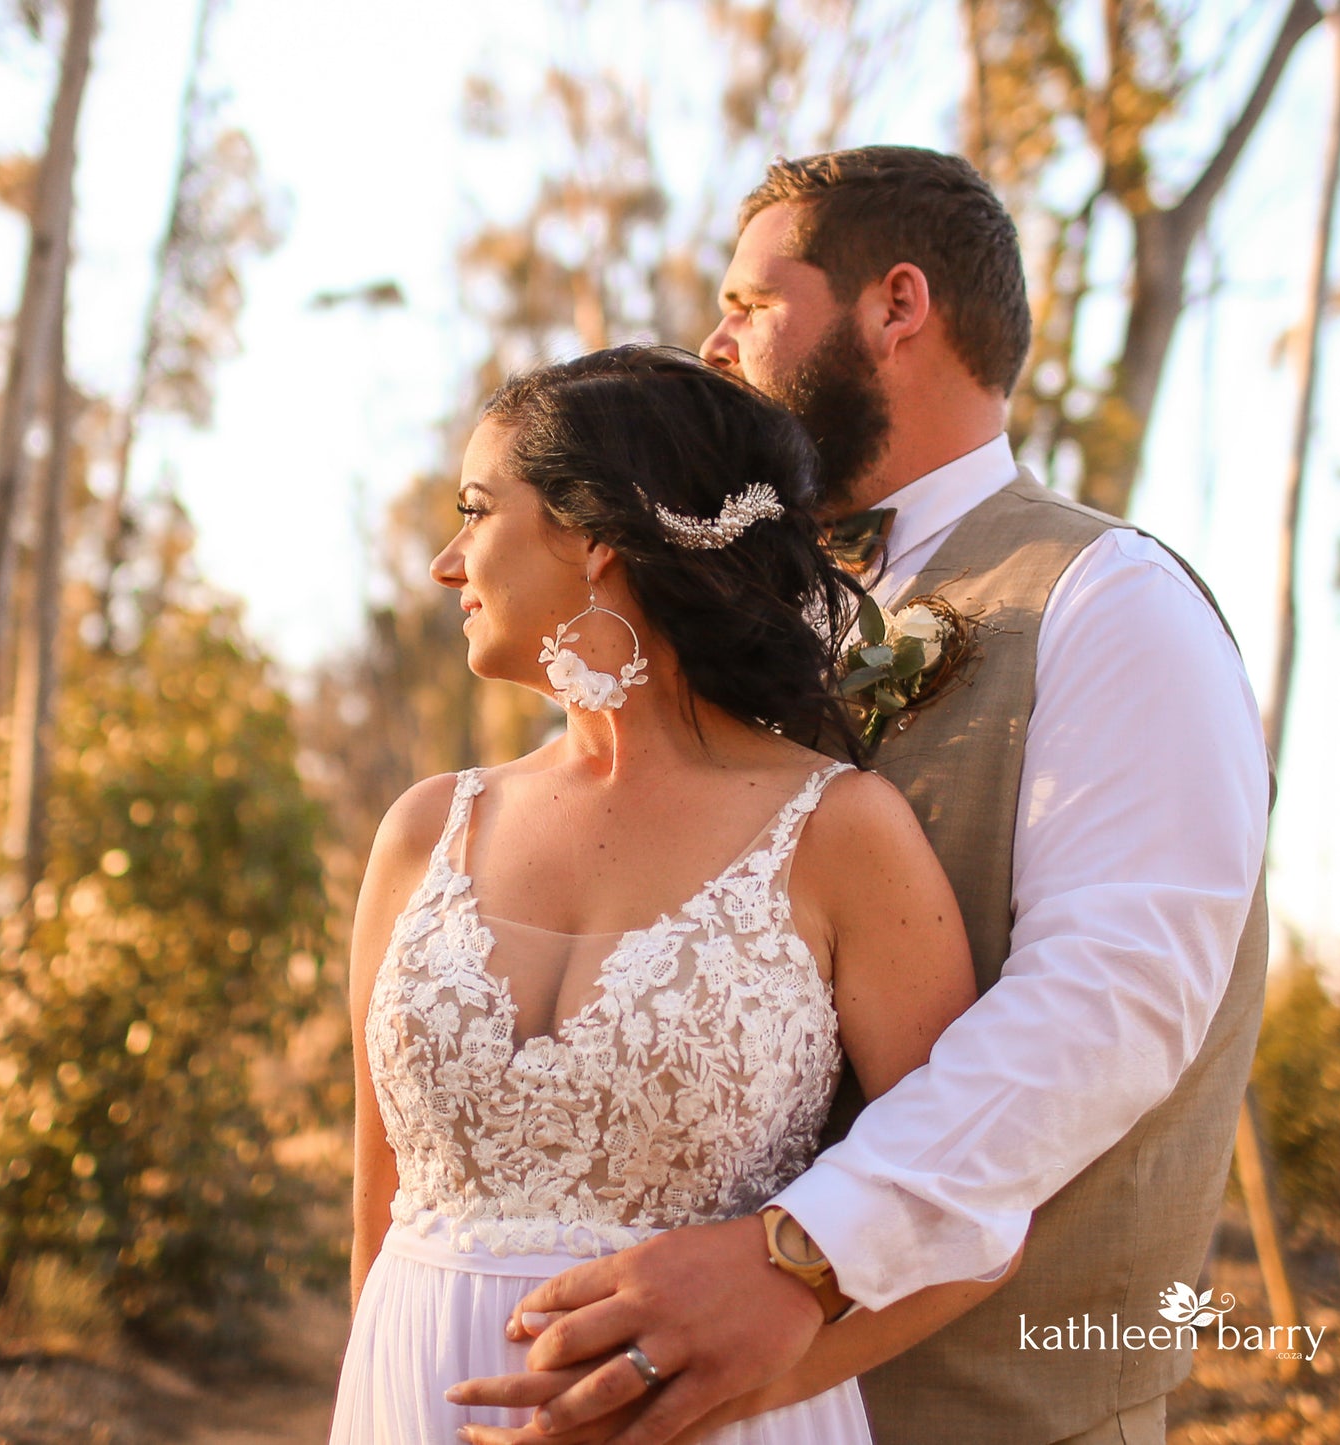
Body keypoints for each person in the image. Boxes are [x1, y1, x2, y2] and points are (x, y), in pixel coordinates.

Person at [454, 148, 1271, 1445]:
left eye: (750, 305)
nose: (713, 346)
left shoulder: (1109, 600)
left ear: (898, 305)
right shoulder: (735, 624)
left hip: (998, 1409)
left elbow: (1112, 998)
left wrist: (802, 1254)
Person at [328, 344, 1020, 1445]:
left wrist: (750, 1387)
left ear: (597, 538)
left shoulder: (837, 833)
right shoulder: (425, 828)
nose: (445, 564)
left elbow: (971, 1211)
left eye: (475, 510)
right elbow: (377, 1207)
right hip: (411, 1403)